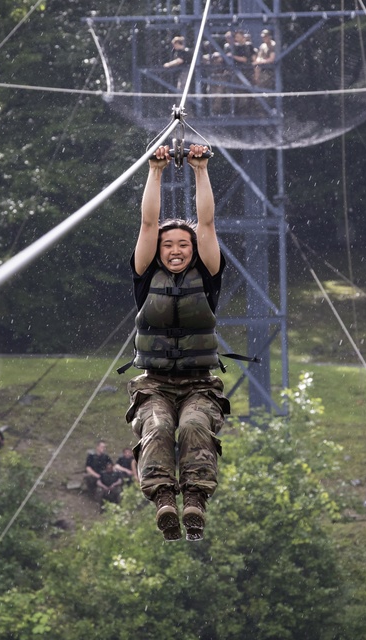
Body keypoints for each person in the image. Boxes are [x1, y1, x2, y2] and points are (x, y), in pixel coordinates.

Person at [123, 143, 231, 542]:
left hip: (199, 383)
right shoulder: (145, 275)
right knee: (158, 425)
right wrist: (156, 171)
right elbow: (148, 226)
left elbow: (206, 225)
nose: (175, 250)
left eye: (182, 245)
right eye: (169, 246)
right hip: (155, 383)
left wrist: (199, 170)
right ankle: (164, 498)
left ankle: (195, 501)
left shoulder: (208, 275)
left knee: (194, 425)